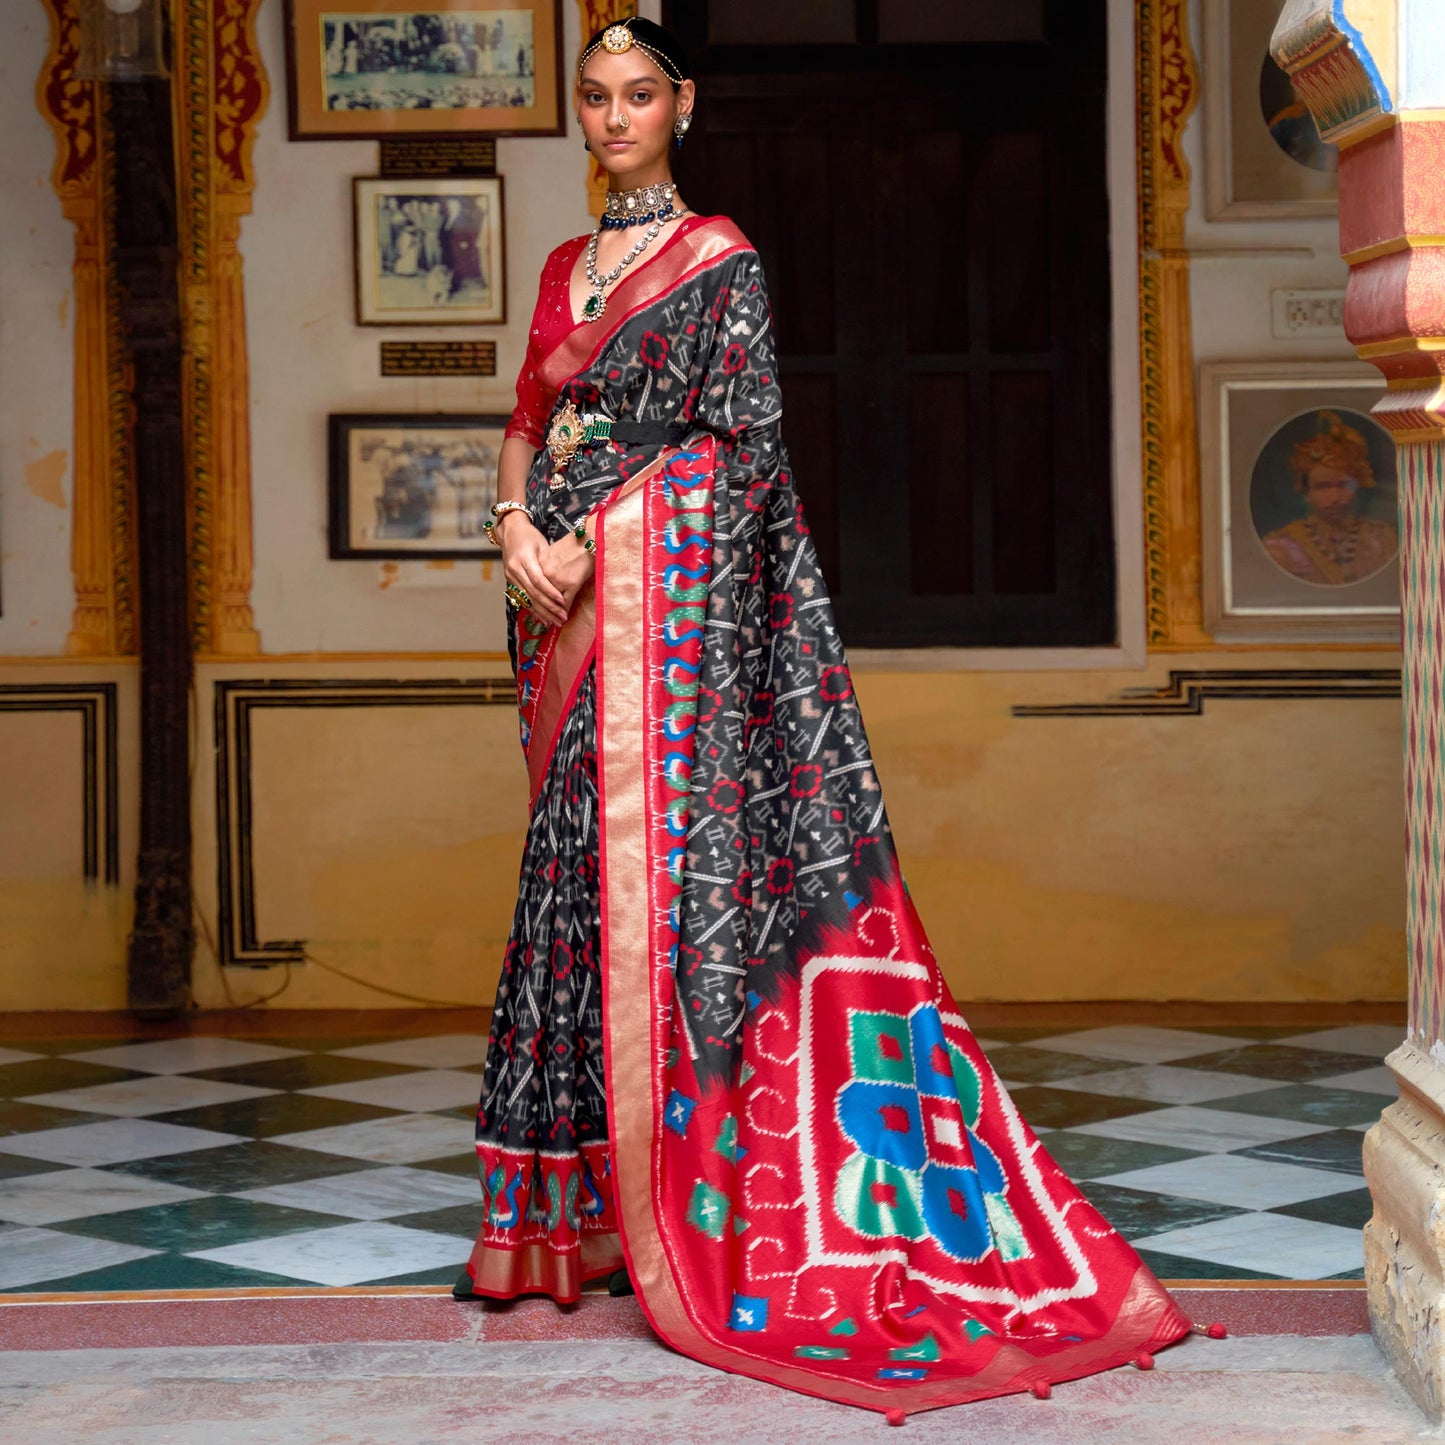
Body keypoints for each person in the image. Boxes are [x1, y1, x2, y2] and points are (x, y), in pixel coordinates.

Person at [457, 17, 1193, 1419]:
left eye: (638, 97)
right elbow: (526, 414)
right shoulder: (564, 269)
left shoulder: (720, 259)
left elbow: (738, 450)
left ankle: (702, 1195)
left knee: (664, 900)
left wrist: (593, 543)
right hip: (557, 619)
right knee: (569, 893)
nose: (615, 118)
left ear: (684, 105)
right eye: (595, 98)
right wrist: (511, 528)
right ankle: (568, 1225)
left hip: (649, 627)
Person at [1261, 410, 1397, 585]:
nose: (1335, 498)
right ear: (1306, 492)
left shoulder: (1384, 540)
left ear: (1358, 486)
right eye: (1322, 487)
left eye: (1344, 485)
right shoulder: (1282, 547)